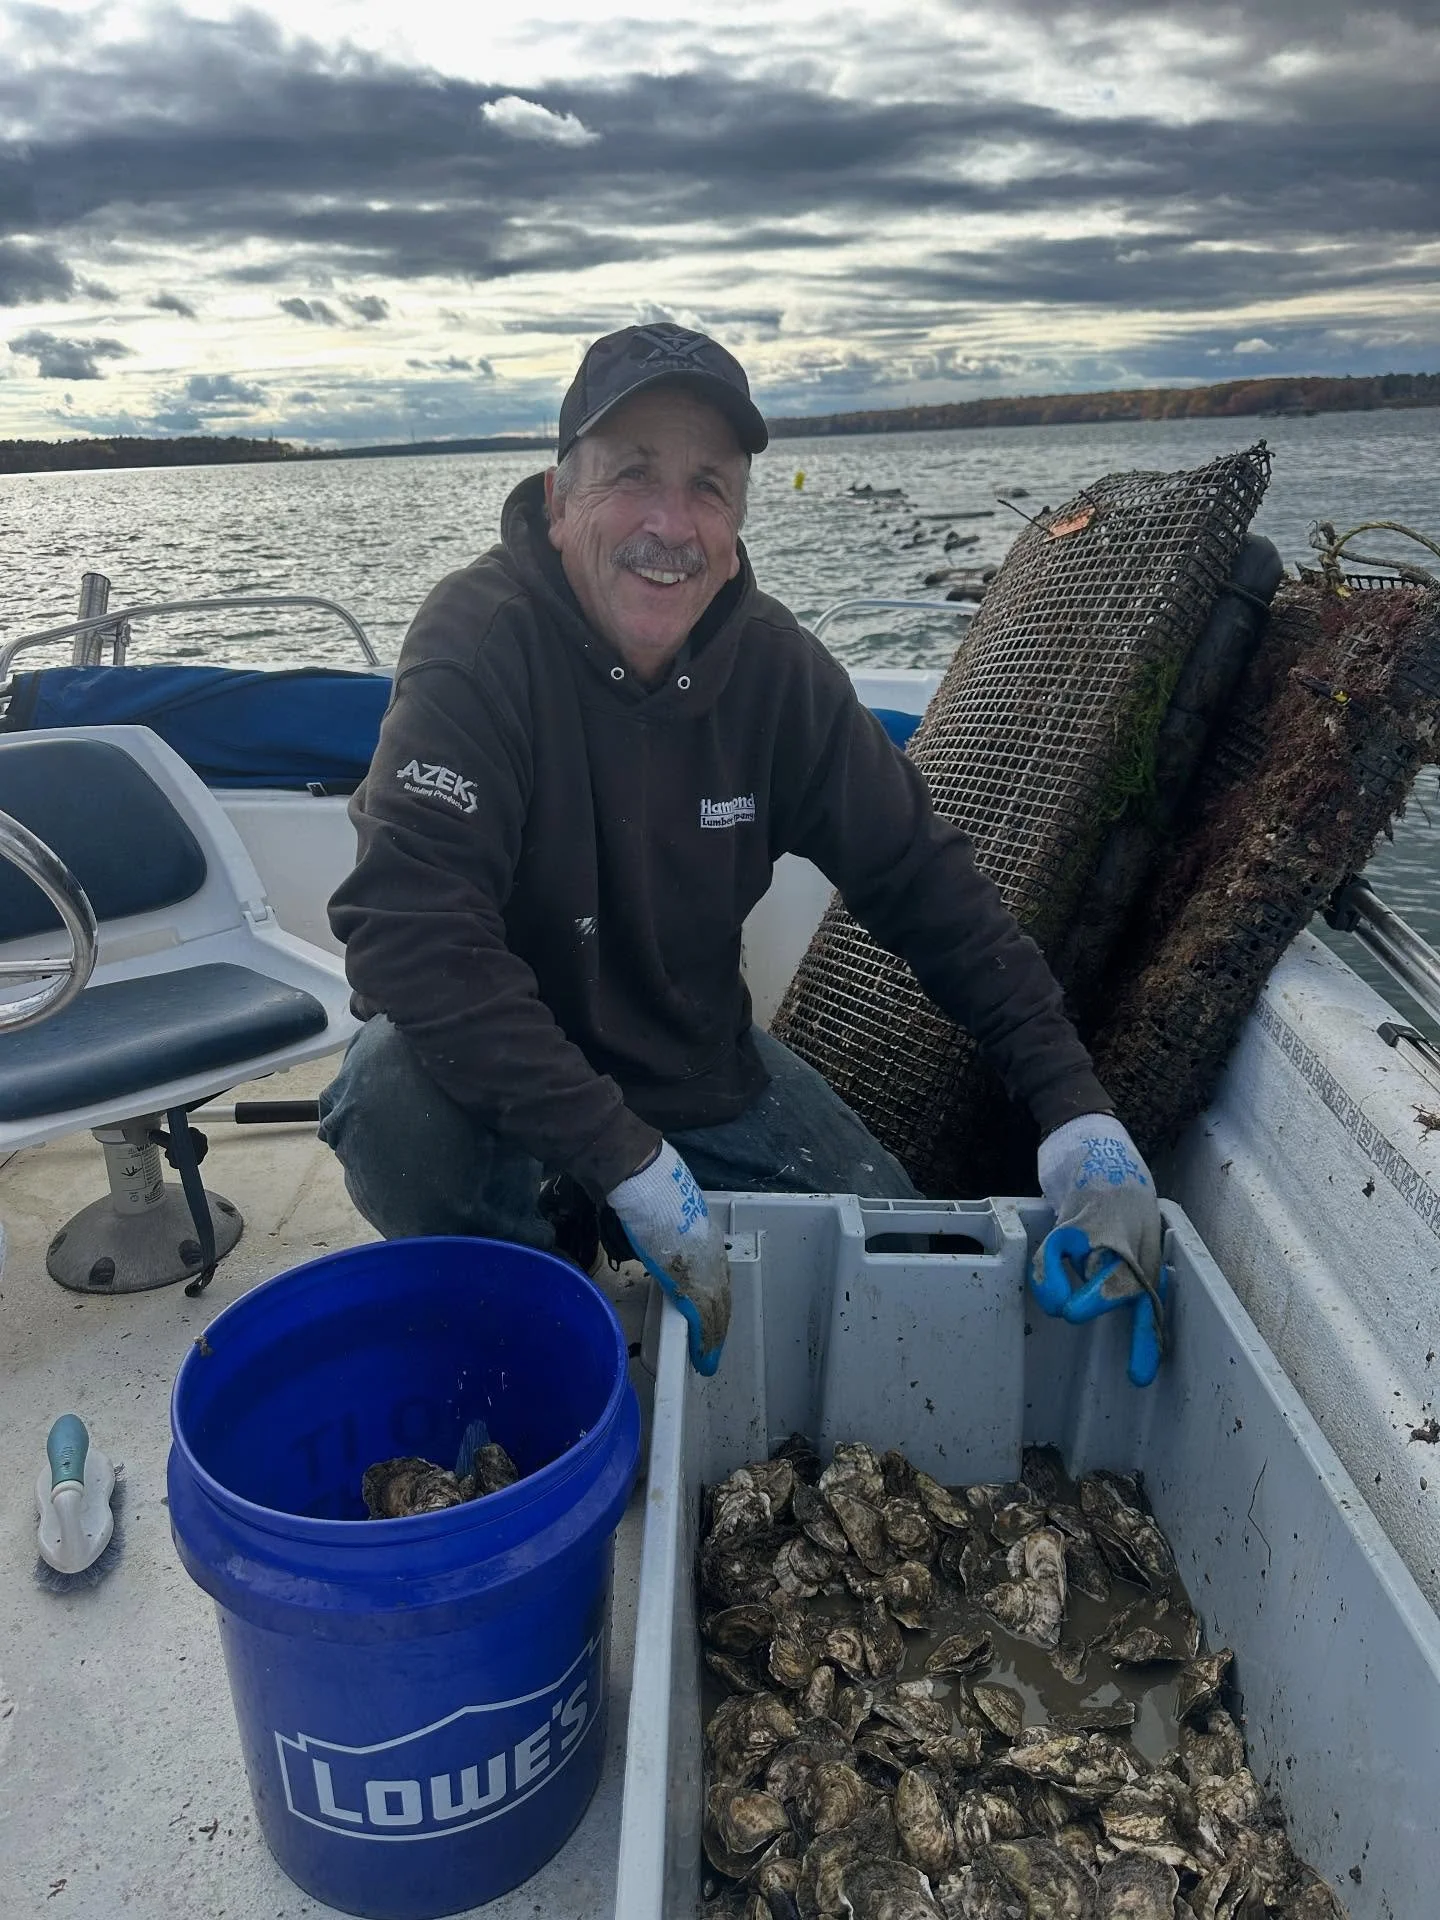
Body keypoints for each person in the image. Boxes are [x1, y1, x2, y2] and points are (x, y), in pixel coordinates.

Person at [319, 322, 1163, 1379]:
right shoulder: (478, 641)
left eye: (709, 487)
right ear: (558, 499)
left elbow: (926, 885)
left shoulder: (779, 676)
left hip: (695, 1068)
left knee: (908, 1272)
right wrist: (624, 1162)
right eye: (632, 475)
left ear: (739, 519)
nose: (671, 525)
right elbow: (407, 936)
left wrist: (1075, 1109)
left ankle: (626, 1213)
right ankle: (549, 1310)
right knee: (388, 1094)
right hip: (497, 1075)